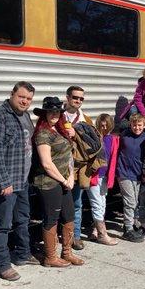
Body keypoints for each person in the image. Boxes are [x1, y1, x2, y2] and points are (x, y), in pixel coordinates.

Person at [0, 81, 40, 281]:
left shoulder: (25, 116)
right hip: (4, 182)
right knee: (1, 223)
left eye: (29, 99)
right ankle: (2, 264)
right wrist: (4, 182)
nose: (25, 101)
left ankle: (22, 254)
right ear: (12, 94)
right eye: (22, 97)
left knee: (22, 218)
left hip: (21, 179)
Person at [31, 97, 84, 267]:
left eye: (57, 111)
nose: (54, 114)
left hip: (63, 181)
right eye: (50, 111)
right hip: (48, 182)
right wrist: (63, 180)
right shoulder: (42, 133)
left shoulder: (60, 130)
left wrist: (70, 176)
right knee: (51, 218)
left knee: (69, 216)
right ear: (45, 113)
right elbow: (46, 163)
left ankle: (67, 252)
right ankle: (50, 257)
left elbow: (69, 154)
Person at [63, 85, 94, 250]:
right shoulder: (57, 116)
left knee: (76, 204)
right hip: (58, 168)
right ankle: (57, 237)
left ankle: (74, 236)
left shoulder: (85, 120)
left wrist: (78, 135)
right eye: (75, 97)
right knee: (56, 206)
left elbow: (93, 143)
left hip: (76, 168)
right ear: (68, 98)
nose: (78, 101)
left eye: (81, 98)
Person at [117, 113, 145, 242]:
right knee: (130, 201)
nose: (137, 127)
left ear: (144, 125)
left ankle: (132, 223)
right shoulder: (124, 136)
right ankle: (128, 228)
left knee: (135, 201)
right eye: (134, 125)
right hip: (123, 173)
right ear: (130, 125)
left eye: (139, 125)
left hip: (138, 174)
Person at [87, 114, 119, 246]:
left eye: (106, 124)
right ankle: (102, 234)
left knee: (102, 202)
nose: (103, 126)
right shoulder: (94, 138)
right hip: (94, 176)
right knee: (96, 204)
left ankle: (95, 229)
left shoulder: (112, 139)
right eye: (101, 124)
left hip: (105, 176)